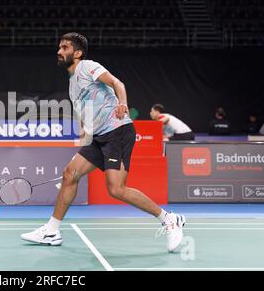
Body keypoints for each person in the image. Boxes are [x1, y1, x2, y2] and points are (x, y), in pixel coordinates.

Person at [21, 33, 186, 252]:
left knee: (116, 189)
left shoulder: (87, 66)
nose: (59, 51)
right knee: (70, 174)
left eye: (65, 48)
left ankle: (169, 219)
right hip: (98, 136)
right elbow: (87, 114)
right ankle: (52, 230)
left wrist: (123, 104)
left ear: (77, 53)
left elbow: (118, 83)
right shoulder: (72, 85)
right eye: (59, 47)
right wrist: (84, 134)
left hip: (117, 130)